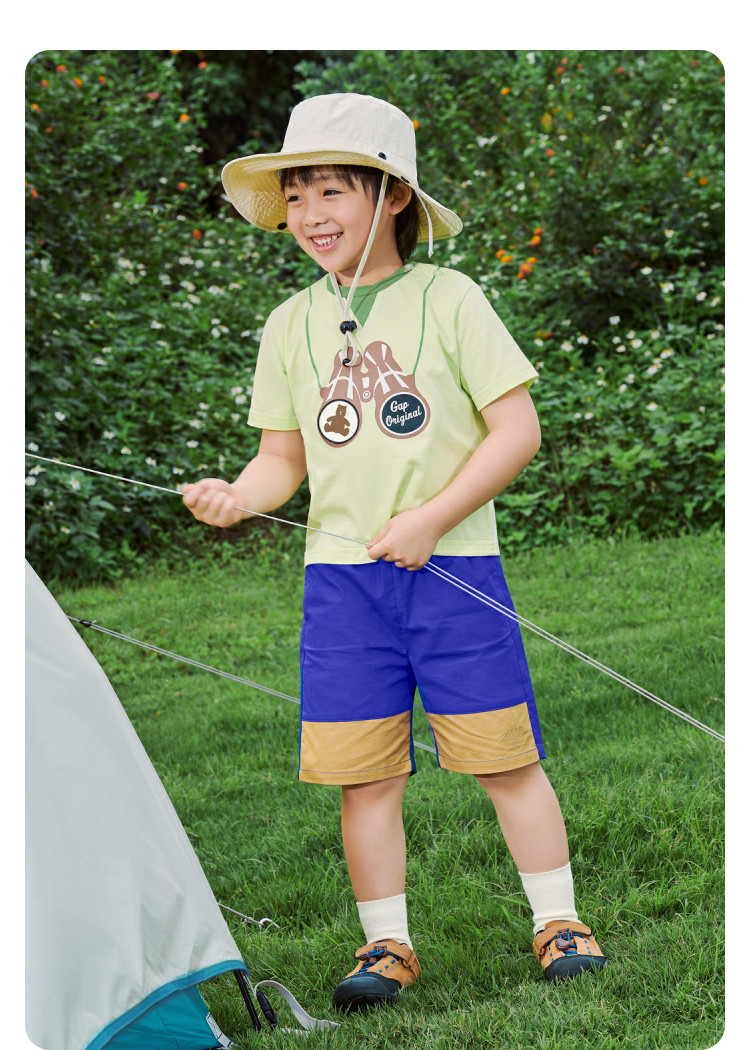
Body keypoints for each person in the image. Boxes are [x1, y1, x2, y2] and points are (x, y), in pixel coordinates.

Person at [182, 92, 606, 1011]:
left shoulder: (450, 298)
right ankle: (386, 944)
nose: (309, 214)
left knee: (503, 757)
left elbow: (517, 430)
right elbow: (280, 460)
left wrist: (430, 519)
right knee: (362, 775)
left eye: (331, 190)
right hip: (343, 588)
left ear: (394, 196)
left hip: (454, 572)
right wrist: (238, 497)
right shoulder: (288, 323)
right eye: (296, 195)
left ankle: (560, 921)